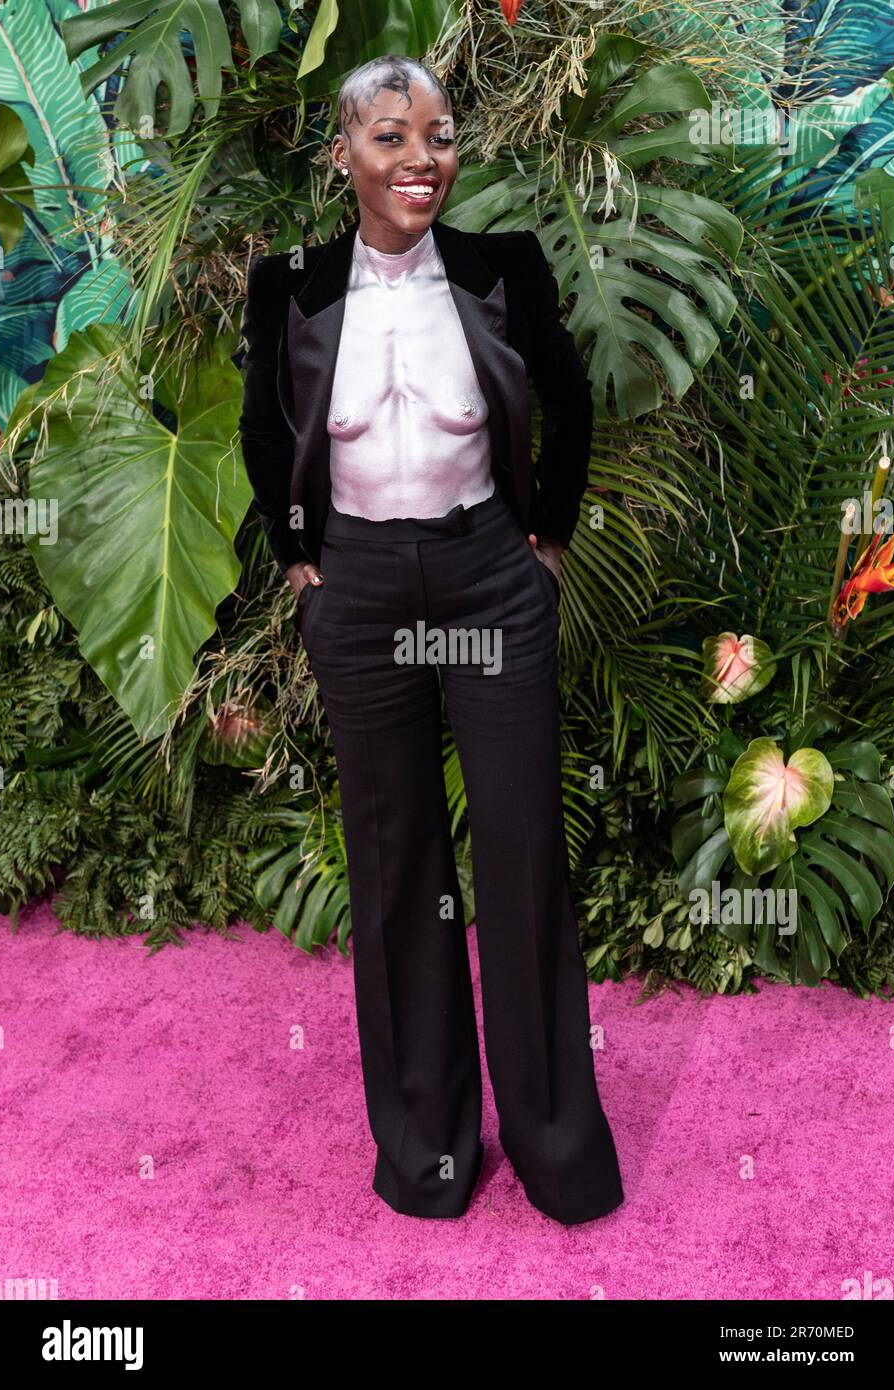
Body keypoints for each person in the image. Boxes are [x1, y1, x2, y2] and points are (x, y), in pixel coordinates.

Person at [238, 53, 624, 1225]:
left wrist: (544, 540)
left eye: (440, 136)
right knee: (398, 864)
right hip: (358, 589)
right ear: (344, 155)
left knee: (519, 855)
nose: (422, 160)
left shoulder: (500, 267)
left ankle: (558, 1152)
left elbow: (568, 397)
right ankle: (428, 1155)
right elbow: (267, 425)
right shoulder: (291, 282)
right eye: (392, 138)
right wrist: (298, 553)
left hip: (486, 580)